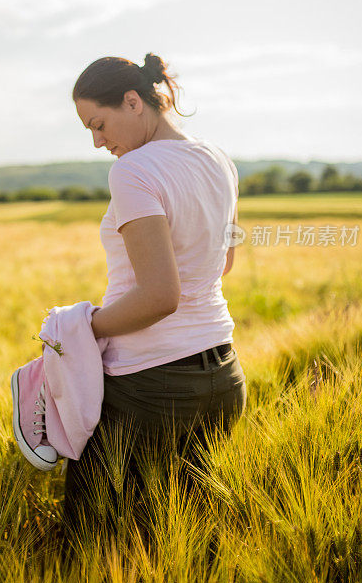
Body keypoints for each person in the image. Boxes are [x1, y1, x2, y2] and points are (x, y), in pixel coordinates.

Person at [63, 52, 247, 537]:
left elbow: (161, 295)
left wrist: (78, 329)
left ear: (132, 101)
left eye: (99, 125)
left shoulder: (134, 171)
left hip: (151, 386)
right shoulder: (218, 159)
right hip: (224, 377)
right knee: (189, 537)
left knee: (97, 536)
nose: (98, 142)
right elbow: (224, 261)